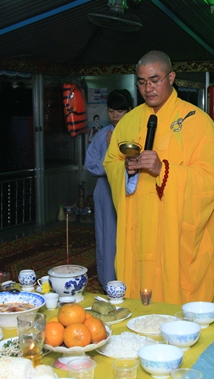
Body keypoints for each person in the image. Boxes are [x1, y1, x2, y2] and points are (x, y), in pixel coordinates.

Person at [103, 50, 214, 304]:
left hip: (175, 232)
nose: (148, 89)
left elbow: (210, 181)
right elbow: (111, 162)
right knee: (138, 293)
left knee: (177, 298)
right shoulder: (129, 121)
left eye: (155, 80)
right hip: (139, 227)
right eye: (142, 82)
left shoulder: (197, 122)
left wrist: (163, 170)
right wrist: (126, 169)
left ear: (171, 78)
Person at [84, 89, 133, 291]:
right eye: (111, 111)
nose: (115, 115)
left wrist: (116, 158)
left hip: (129, 189)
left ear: (129, 111)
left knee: (130, 236)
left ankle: (131, 281)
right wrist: (110, 163)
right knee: (106, 236)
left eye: (120, 111)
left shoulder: (135, 132)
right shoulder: (102, 134)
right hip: (105, 189)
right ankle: (108, 283)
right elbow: (90, 163)